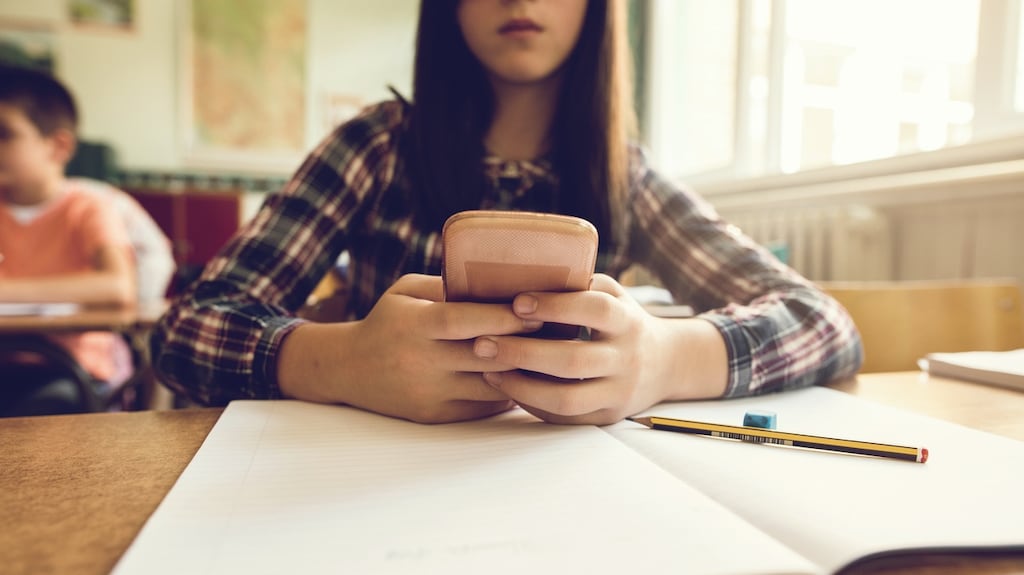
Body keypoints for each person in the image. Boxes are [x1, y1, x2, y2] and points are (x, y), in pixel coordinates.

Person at [152, 0, 862, 425]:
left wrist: (667, 357)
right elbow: (186, 329)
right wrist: (336, 360)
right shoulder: (376, 145)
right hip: (373, 483)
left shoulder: (626, 173)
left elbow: (823, 323)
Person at [0, 65, 136, 416]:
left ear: (57, 146)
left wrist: (8, 291)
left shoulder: (89, 206)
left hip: (71, 369)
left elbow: (118, 286)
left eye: (4, 134)